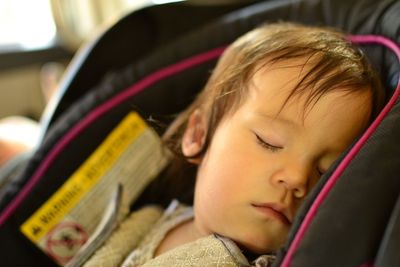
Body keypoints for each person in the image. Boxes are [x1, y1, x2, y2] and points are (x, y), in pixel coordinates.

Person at [84, 22, 385, 267]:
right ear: (198, 136)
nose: (296, 177)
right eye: (269, 142)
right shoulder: (144, 222)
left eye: (325, 171)